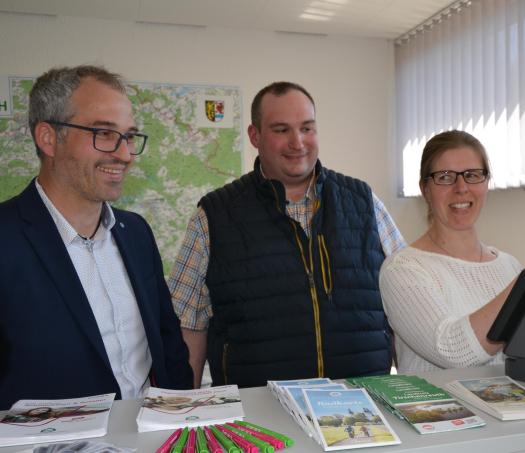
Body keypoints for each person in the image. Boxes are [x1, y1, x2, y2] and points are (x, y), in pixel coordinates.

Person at [170, 81, 405, 388]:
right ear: (255, 136)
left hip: (363, 411)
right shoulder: (214, 216)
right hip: (258, 420)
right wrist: (184, 412)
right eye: (281, 130)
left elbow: (405, 300)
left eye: (307, 128)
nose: (298, 142)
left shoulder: (363, 202)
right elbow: (188, 325)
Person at [0, 65, 192, 410]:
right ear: (48, 138)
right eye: (104, 134)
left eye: (129, 136)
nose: (124, 154)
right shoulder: (6, 237)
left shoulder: (135, 233)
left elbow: (168, 344)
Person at [379, 130, 525, 373]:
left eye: (473, 175)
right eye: (445, 177)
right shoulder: (402, 269)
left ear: (486, 183)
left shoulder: (508, 265)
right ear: (425, 189)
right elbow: (453, 351)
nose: (462, 188)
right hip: (441, 410)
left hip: (513, 409)